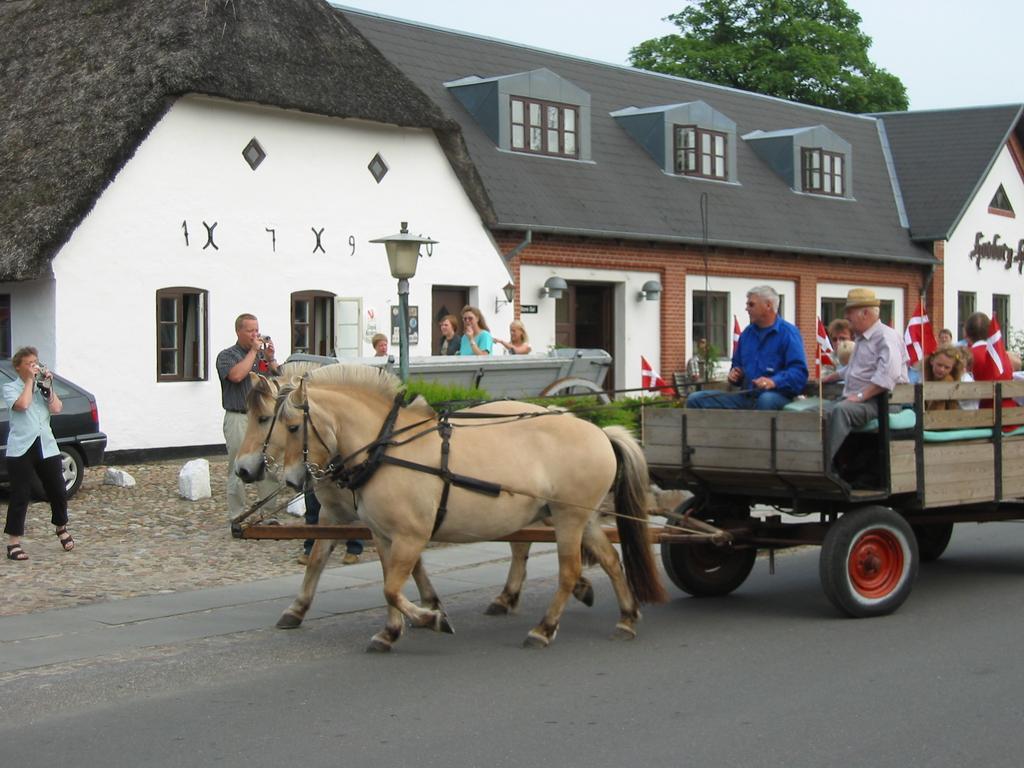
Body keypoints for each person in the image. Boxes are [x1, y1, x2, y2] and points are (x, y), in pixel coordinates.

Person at [824, 288, 909, 475]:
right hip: (864, 399)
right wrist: (833, 376)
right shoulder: (863, 338)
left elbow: (889, 375)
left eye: (850, 311)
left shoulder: (886, 337)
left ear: (866, 313)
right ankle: (822, 461)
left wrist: (860, 396)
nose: (847, 316)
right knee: (819, 412)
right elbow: (858, 368)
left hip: (883, 401)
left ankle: (822, 465)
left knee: (841, 411)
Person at [686, 285, 807, 410]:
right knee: (696, 399)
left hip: (778, 397)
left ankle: (757, 429)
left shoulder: (789, 333)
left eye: (751, 305)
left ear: (768, 306)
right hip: (746, 397)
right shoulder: (746, 335)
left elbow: (799, 373)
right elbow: (737, 367)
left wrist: (774, 382)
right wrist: (735, 375)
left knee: (766, 400)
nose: (746, 309)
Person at [4, 347, 73, 561]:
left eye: (36, 362)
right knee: (20, 495)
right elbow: (22, 405)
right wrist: (29, 382)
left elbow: (57, 408)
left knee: (58, 489)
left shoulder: (42, 386)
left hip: (46, 445)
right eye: (29, 363)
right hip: (21, 448)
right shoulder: (10, 387)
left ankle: (61, 527)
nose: (35, 366)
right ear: (19, 367)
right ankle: (13, 543)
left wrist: (48, 388)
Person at [216, 313, 280, 520]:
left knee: (268, 464)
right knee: (238, 465)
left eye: (257, 330)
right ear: (239, 332)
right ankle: (237, 515)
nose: (255, 335)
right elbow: (236, 376)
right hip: (239, 417)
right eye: (250, 331)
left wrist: (271, 359)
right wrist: (253, 351)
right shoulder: (227, 356)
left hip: (262, 419)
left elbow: (279, 380)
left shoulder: (260, 357)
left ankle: (269, 514)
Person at [963, 312, 1016, 421]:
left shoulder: (968, 356)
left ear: (966, 333)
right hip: (1012, 416)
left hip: (984, 417)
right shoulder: (1002, 355)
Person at [298, 488, 362, 566]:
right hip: (315, 478)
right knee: (312, 506)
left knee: (349, 505)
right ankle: (310, 548)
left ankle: (354, 548)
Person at [922, 344, 964, 411]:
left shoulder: (949, 382)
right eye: (939, 365)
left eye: (947, 367)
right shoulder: (923, 377)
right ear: (932, 360)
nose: (942, 369)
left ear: (952, 368)